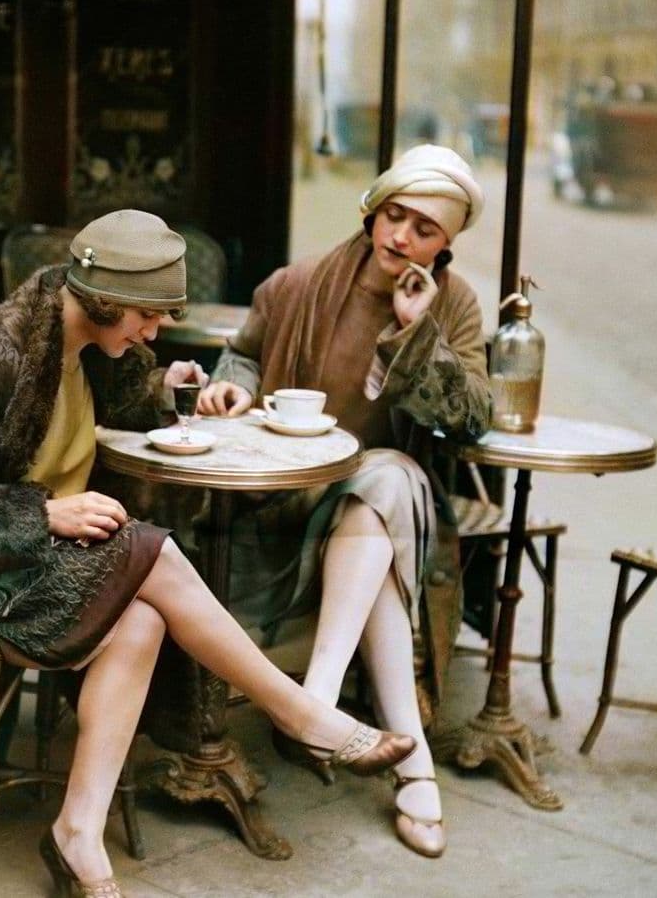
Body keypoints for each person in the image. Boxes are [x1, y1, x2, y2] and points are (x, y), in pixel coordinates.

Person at [0, 209, 417, 898]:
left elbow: (128, 399)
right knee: (151, 551)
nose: (154, 329)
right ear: (107, 299)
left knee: (146, 616)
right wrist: (46, 512)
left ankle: (77, 835)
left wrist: (178, 386)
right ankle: (298, 713)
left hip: (43, 562)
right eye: (148, 317)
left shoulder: (80, 343)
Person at [197, 144, 492, 858]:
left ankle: (315, 700)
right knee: (377, 542)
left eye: (426, 229)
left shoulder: (452, 305)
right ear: (372, 210)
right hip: (287, 508)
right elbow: (242, 356)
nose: (403, 238)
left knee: (385, 477)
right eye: (395, 217)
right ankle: (413, 765)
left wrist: (418, 331)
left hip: (387, 506)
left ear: (446, 243)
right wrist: (231, 385)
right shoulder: (296, 285)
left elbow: (474, 418)